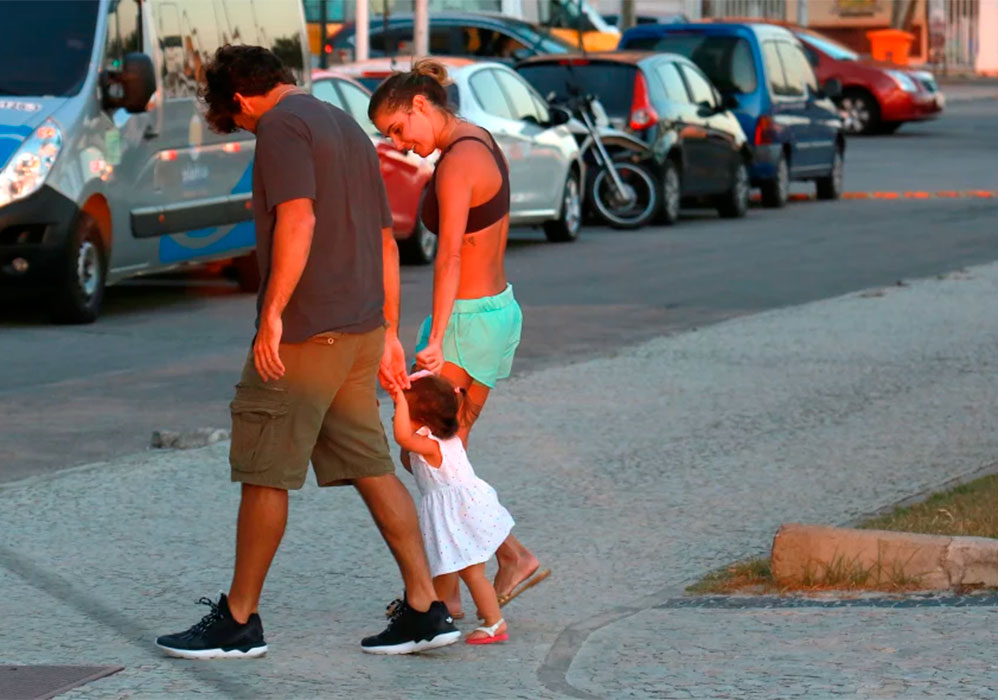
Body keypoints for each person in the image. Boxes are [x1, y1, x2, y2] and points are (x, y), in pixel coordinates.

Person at [154, 45, 458, 659]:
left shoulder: (281, 127)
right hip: (359, 329)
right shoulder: (342, 122)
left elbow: (297, 219)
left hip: (305, 333)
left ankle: (239, 622)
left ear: (239, 99)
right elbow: (385, 239)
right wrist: (388, 331)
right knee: (371, 466)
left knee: (264, 470)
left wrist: (271, 317)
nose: (241, 128)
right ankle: (427, 608)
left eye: (233, 119)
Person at [369, 59, 550, 618]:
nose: (400, 144)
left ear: (422, 104)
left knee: (425, 455)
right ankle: (453, 591)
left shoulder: (454, 165)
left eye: (399, 129)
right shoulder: (480, 139)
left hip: (466, 322)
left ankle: (474, 579)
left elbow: (448, 256)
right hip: (495, 310)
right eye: (389, 138)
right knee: (447, 461)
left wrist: (437, 337)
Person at [390, 371, 513, 644]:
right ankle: (436, 610)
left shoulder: (430, 445)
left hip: (459, 514)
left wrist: (399, 397)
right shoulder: (446, 435)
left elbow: (402, 437)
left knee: (471, 571)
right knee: (445, 567)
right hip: (463, 510)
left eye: (401, 411)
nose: (396, 416)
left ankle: (494, 622)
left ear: (422, 420)